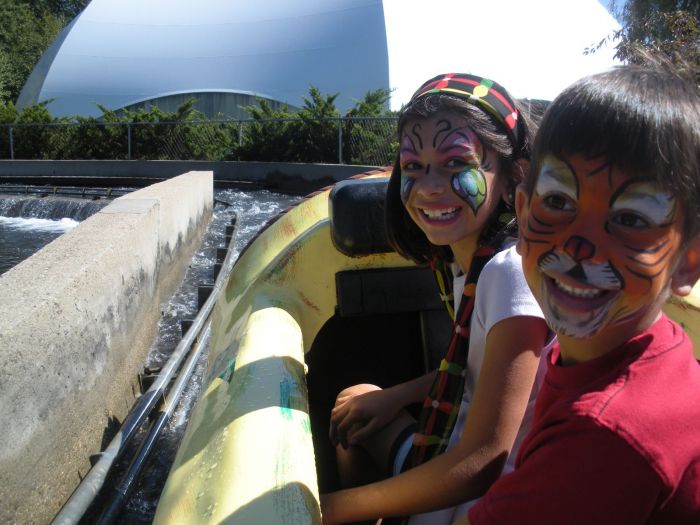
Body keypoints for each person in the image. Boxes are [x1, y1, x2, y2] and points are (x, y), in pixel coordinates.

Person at [462, 64, 700, 524]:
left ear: (688, 261)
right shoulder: (648, 348)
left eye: (630, 219)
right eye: (558, 202)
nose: (577, 246)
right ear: (523, 212)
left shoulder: (604, 436)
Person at [319, 73, 553, 525]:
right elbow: (475, 370)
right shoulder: (466, 264)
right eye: (414, 166)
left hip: (472, 503)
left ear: (514, 177)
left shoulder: (509, 274)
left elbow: (483, 461)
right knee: (358, 404)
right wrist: (394, 397)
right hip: (451, 457)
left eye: (455, 163)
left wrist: (333, 508)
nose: (429, 187)